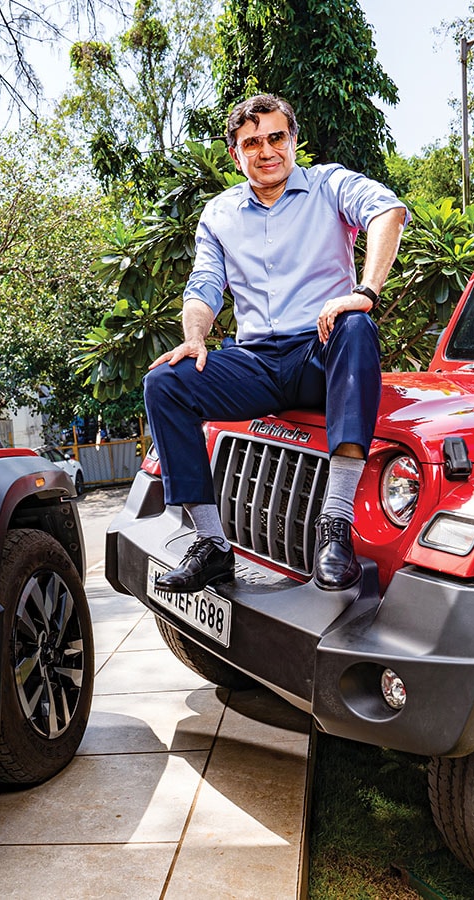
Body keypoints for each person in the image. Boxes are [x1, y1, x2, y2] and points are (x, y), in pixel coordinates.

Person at [145, 93, 408, 595]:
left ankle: (335, 529)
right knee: (164, 382)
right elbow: (204, 284)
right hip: (257, 362)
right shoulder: (219, 214)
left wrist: (364, 293)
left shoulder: (330, 184)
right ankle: (212, 544)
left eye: (276, 137)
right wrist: (195, 337)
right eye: (252, 143)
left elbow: (388, 212)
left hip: (320, 348)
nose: (266, 151)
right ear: (235, 154)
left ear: (292, 139)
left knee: (356, 326)